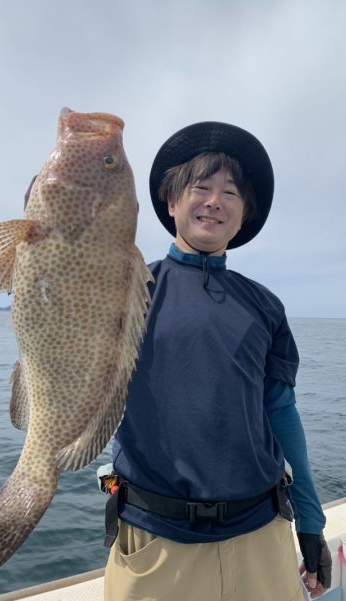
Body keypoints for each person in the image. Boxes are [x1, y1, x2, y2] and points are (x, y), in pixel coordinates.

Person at [103, 121, 332, 601]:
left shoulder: (264, 306)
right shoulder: (126, 291)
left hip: (261, 533)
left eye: (230, 192)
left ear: (244, 212)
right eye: (200, 187)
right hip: (157, 540)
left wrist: (311, 520)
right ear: (171, 202)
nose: (214, 201)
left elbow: (282, 414)